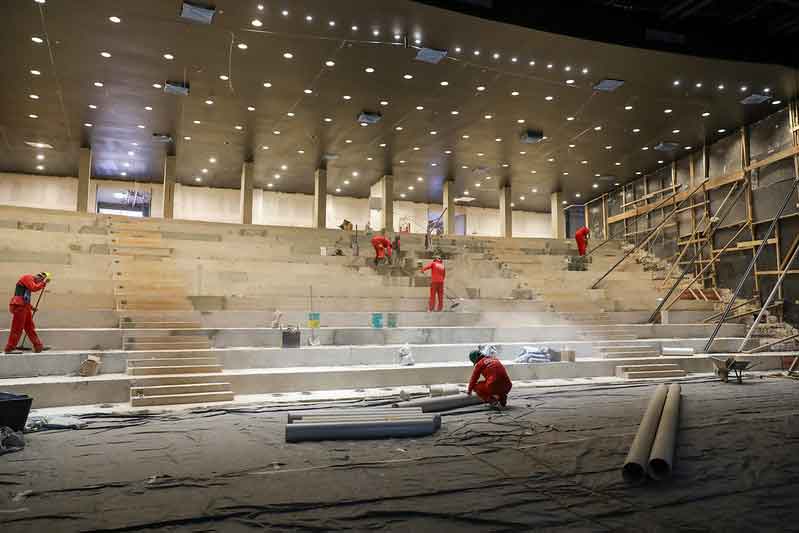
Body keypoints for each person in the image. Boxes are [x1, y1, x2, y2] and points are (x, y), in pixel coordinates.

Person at [4, 272, 51, 354]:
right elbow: (34, 288)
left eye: (41, 281)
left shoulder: (31, 281)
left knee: (30, 327)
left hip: (25, 306)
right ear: (39, 276)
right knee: (17, 327)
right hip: (19, 306)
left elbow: (25, 297)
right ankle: (9, 348)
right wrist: (43, 283)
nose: (39, 282)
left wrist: (32, 308)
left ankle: (38, 346)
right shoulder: (28, 277)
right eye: (41, 279)